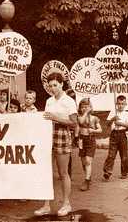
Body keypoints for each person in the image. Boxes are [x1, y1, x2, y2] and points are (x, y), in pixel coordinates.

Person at [34, 72, 77, 217]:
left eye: (55, 85)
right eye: (50, 85)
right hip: (48, 134)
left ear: (61, 84)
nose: (52, 88)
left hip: (62, 134)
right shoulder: (49, 101)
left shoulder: (69, 101)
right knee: (46, 171)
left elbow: (73, 123)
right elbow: (46, 118)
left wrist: (56, 118)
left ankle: (66, 204)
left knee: (62, 172)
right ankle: (46, 205)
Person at [103, 95, 128, 181]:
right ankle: (107, 172)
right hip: (114, 134)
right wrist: (113, 119)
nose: (120, 106)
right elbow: (107, 124)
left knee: (124, 155)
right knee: (111, 154)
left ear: (125, 104)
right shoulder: (113, 112)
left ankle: (124, 172)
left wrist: (121, 124)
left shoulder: (127, 114)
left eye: (122, 104)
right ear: (116, 103)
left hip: (122, 134)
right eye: (119, 104)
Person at [76, 98, 102, 191]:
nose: (84, 109)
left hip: (90, 140)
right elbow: (81, 122)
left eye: (86, 107)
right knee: (83, 162)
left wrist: (93, 130)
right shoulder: (79, 116)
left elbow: (100, 130)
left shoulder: (94, 118)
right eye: (82, 107)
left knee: (88, 161)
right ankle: (88, 176)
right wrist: (85, 113)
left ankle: (86, 181)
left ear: (90, 107)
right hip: (82, 140)